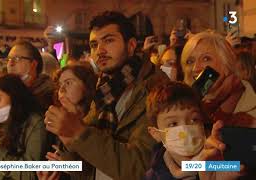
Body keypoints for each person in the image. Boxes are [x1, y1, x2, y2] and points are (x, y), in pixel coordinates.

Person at [44, 11, 169, 180]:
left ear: (131, 45)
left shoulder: (156, 88)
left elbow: (142, 167)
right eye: (94, 44)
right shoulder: (104, 89)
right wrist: (66, 155)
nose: (100, 51)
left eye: (109, 40)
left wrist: (79, 133)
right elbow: (95, 165)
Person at [37, 62, 97, 180]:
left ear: (86, 85)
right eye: (59, 85)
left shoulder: (98, 122)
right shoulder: (58, 121)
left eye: (68, 82)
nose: (62, 89)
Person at [181, 31, 256, 124]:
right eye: (190, 61)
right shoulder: (186, 105)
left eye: (206, 59)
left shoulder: (249, 113)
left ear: (226, 64)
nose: (195, 68)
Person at [145, 82, 207, 179]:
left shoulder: (221, 159)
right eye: (173, 124)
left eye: (194, 120)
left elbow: (237, 167)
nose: (185, 132)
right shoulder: (153, 177)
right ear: (155, 133)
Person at [6, 40, 55, 112]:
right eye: (8, 59)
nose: (10, 63)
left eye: (17, 59)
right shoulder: (6, 90)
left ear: (33, 64)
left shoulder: (48, 94)